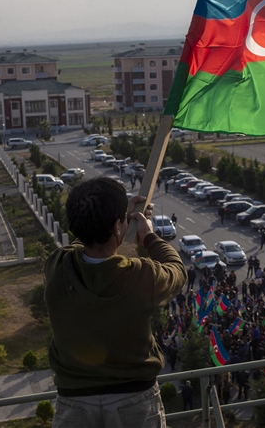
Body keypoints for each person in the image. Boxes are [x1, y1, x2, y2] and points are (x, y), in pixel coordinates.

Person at [43, 177, 187, 427]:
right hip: (134, 401)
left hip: (74, 401)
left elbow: (83, 242)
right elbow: (177, 270)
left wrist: (115, 221)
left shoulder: (56, 266)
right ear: (117, 226)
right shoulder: (141, 276)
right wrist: (148, 236)